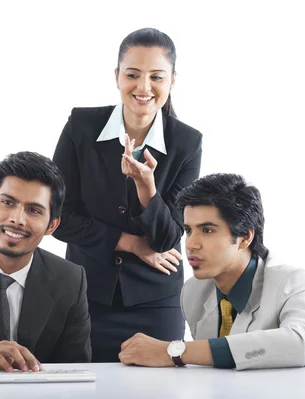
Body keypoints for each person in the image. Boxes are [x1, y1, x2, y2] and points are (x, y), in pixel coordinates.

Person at [52, 27, 203, 362]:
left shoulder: (187, 143)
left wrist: (147, 189)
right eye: (132, 74)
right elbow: (56, 217)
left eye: (156, 77)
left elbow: (168, 238)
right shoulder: (81, 126)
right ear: (117, 76)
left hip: (156, 302)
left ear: (172, 81)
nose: (144, 87)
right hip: (84, 295)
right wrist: (131, 242)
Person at [118, 173, 305, 370]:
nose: (191, 244)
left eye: (207, 230)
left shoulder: (298, 283)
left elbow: (299, 344)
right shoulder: (193, 291)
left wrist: (174, 352)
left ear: (245, 237)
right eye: (188, 230)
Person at [0, 151, 92, 372]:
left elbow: (75, 371)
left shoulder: (70, 280)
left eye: (34, 210)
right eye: (7, 202)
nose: (17, 219)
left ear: (51, 226)